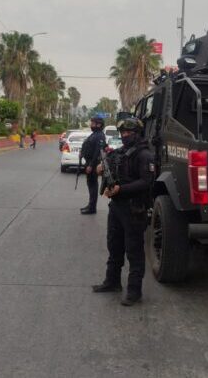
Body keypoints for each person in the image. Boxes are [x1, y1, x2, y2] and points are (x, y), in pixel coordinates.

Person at [92, 117, 154, 306]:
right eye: (123, 133)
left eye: (129, 133)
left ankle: (134, 291)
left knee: (134, 251)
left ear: (137, 133)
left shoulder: (145, 155)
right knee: (114, 245)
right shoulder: (121, 152)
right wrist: (100, 169)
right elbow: (108, 163)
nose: (125, 136)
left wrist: (121, 189)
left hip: (134, 208)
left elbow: (146, 182)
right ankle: (112, 281)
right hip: (117, 207)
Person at [79, 116, 107, 215]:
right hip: (90, 162)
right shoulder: (95, 134)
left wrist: (91, 165)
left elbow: (97, 152)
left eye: (93, 123)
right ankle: (90, 205)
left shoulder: (100, 136)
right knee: (90, 185)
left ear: (99, 124)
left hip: (94, 163)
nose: (91, 125)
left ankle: (92, 208)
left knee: (93, 186)